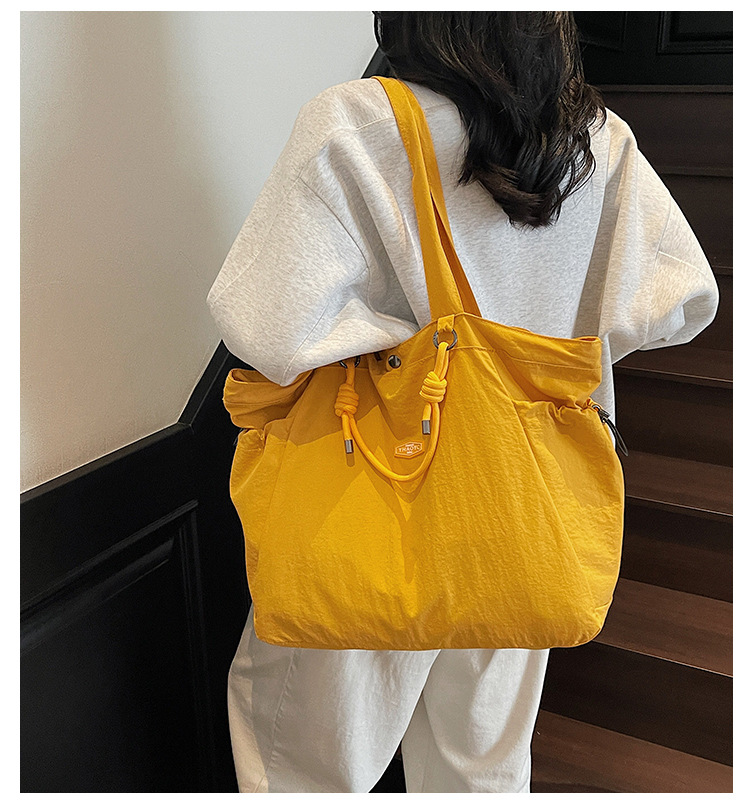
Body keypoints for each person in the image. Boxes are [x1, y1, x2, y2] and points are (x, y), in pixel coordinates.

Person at [206, 11, 719, 793]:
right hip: (523, 500)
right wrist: (538, 339)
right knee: (481, 768)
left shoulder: (356, 122)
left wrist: (398, 343)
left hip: (369, 490)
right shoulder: (597, 140)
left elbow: (268, 325)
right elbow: (681, 301)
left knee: (302, 767)